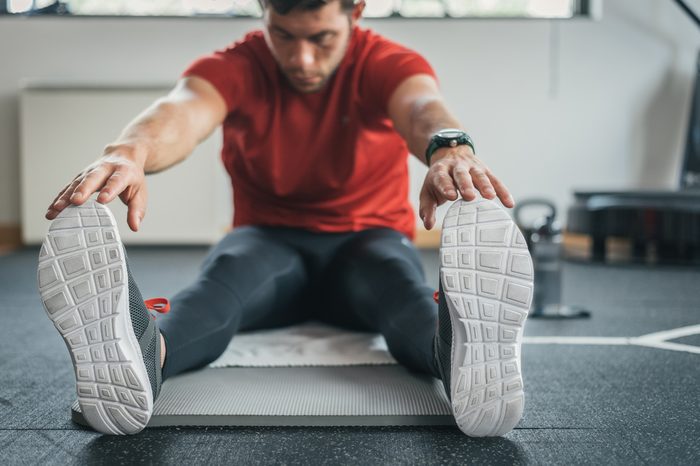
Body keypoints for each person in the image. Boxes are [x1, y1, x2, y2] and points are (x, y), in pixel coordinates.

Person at [39, 0, 532, 437]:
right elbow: (182, 112)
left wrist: (448, 148)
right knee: (221, 284)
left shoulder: (385, 62)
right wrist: (129, 152)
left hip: (368, 241)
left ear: (355, 12)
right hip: (269, 243)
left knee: (399, 288)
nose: (302, 60)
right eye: (284, 36)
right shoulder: (234, 66)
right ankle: (142, 355)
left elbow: (421, 106)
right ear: (264, 12)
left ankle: (459, 358)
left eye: (322, 39)